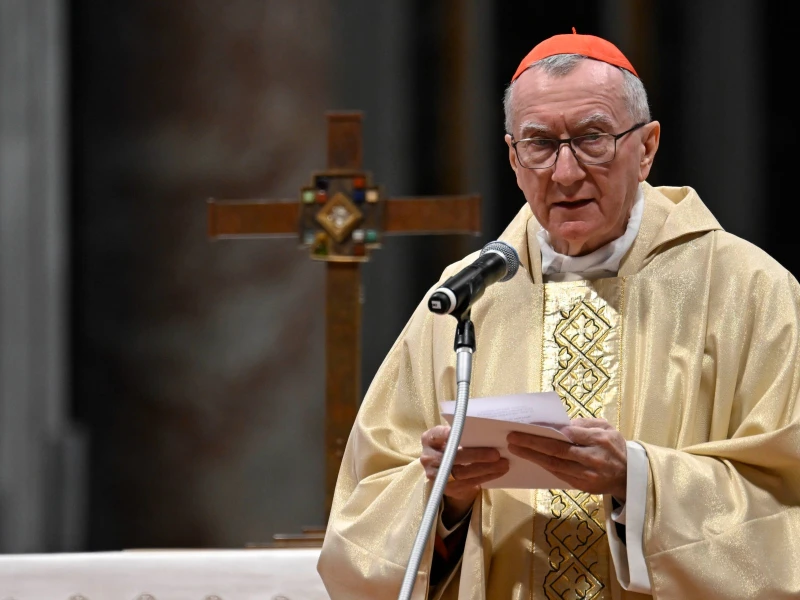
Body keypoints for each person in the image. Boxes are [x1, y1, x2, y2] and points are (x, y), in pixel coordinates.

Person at [317, 31, 800, 600]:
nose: (565, 172)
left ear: (646, 148)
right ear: (513, 158)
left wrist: (636, 480)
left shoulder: (748, 290)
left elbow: (785, 502)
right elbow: (360, 526)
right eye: (540, 144)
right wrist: (447, 497)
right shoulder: (466, 296)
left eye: (593, 139)